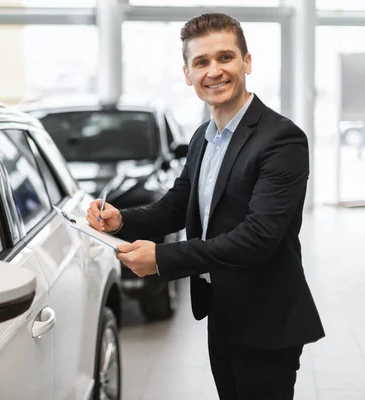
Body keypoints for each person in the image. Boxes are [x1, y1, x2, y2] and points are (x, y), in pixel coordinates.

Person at [86, 13, 325, 400]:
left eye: (225, 58)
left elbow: (258, 238)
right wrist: (119, 221)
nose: (214, 71)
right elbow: (175, 207)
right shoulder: (203, 137)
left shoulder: (282, 139)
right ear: (187, 73)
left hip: (266, 319)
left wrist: (163, 257)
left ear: (246, 62)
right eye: (201, 62)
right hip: (222, 309)